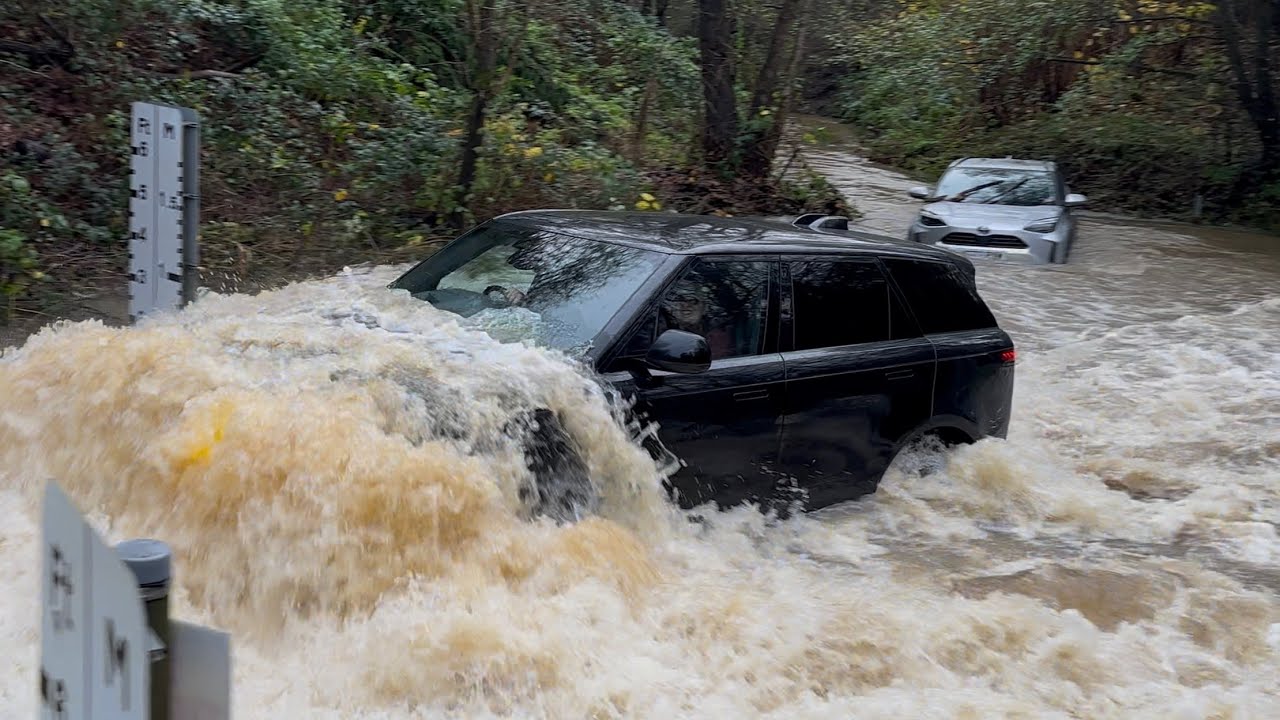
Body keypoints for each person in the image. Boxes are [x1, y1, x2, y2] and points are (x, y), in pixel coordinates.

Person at [660, 285, 735, 360]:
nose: (686, 305)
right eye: (680, 299)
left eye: (693, 300)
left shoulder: (717, 336)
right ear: (672, 308)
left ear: (704, 308)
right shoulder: (659, 331)